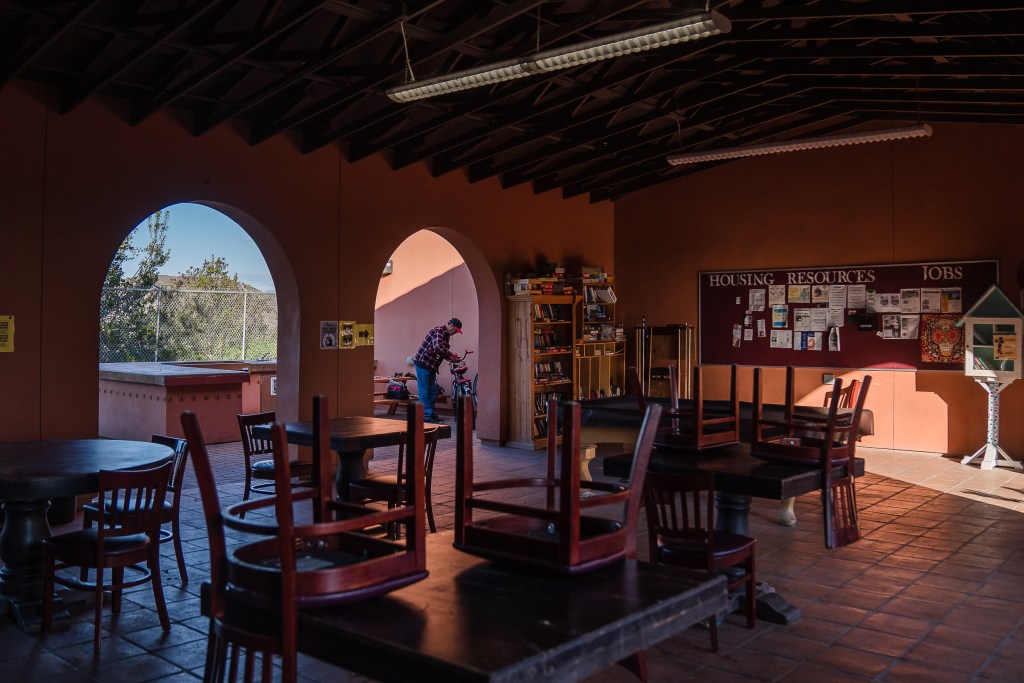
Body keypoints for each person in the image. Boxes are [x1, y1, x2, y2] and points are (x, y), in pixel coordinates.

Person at [413, 318, 463, 423]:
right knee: (424, 392)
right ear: (450, 325)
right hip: (423, 364)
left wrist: (451, 358)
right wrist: (450, 354)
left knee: (432, 391)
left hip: (431, 366)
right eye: (455, 330)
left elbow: (441, 352)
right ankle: (426, 416)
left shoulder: (446, 335)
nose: (455, 333)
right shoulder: (438, 330)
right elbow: (438, 347)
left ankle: (431, 414)